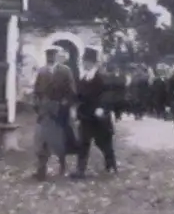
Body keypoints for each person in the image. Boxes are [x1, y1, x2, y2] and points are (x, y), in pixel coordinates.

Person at [32, 47, 77, 180]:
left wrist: (65, 104)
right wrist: (37, 106)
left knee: (59, 141)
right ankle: (41, 170)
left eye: (52, 55)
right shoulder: (42, 72)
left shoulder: (65, 71)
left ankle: (62, 165)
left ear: (57, 57)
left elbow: (71, 91)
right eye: (48, 55)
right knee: (42, 140)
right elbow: (36, 91)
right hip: (45, 111)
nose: (50, 58)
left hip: (59, 111)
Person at [71, 49, 117, 178]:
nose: (85, 64)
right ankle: (80, 170)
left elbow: (108, 94)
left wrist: (102, 107)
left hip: (99, 117)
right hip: (86, 116)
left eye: (87, 62)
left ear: (93, 63)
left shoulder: (101, 77)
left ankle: (111, 165)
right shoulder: (83, 77)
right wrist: (75, 107)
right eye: (84, 61)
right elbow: (79, 96)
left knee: (103, 143)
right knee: (83, 143)